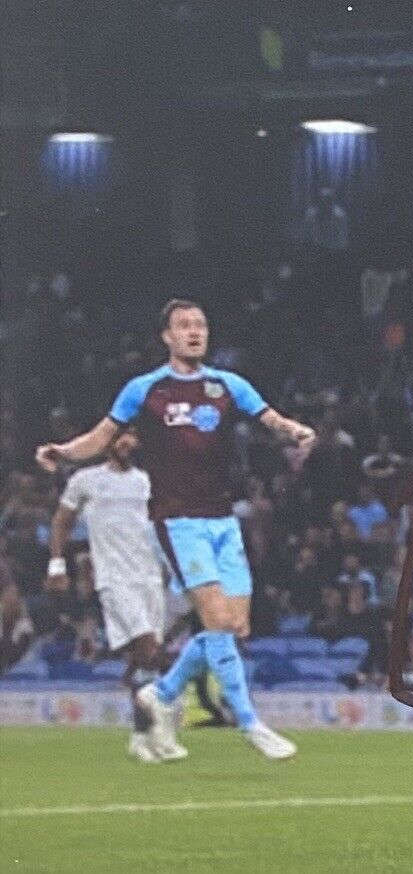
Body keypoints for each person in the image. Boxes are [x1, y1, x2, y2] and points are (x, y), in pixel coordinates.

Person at [36, 299, 316, 760]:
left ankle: (161, 693)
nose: (194, 332)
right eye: (184, 325)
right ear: (166, 336)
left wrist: (296, 431)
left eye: (201, 324)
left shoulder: (227, 385)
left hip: (223, 520)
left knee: (236, 626)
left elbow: (271, 419)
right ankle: (250, 723)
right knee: (217, 622)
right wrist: (64, 452)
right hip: (178, 521)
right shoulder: (145, 389)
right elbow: (101, 436)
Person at [44, 430, 170, 763]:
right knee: (148, 649)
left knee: (146, 659)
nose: (128, 442)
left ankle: (142, 736)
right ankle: (156, 730)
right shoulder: (86, 480)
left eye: (133, 437)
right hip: (114, 578)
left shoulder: (148, 482)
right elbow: (61, 522)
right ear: (107, 443)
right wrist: (57, 566)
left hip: (150, 577)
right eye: (121, 437)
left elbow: (162, 527)